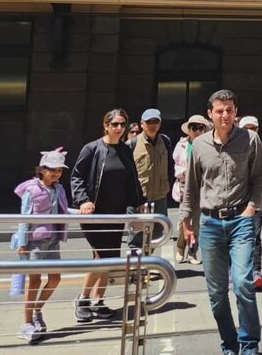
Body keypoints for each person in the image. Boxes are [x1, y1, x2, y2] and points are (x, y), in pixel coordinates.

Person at [180, 90, 262, 355]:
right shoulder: (199, 146)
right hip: (209, 224)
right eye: (220, 110)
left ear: (235, 112)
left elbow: (260, 176)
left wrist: (252, 206)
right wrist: (186, 222)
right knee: (217, 294)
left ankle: (249, 344)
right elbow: (192, 188)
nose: (225, 115)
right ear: (210, 114)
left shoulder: (250, 139)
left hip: (240, 219)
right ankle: (229, 344)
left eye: (229, 109)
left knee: (243, 283)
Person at [71, 109, 144, 323]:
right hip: (95, 213)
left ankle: (98, 301)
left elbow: (132, 181)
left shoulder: (124, 150)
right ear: (106, 125)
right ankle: (82, 299)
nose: (119, 128)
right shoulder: (92, 149)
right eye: (115, 124)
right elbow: (77, 176)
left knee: (109, 258)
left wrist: (138, 206)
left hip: (116, 213)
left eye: (122, 124)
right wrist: (83, 200)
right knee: (101, 256)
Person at [13, 149, 70, 343]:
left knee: (55, 278)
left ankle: (37, 309)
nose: (56, 173)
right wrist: (22, 243)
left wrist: (80, 210)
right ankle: (27, 322)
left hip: (53, 239)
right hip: (35, 241)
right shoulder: (32, 189)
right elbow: (24, 217)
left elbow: (63, 210)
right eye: (52, 169)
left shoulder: (58, 189)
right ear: (42, 170)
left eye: (59, 170)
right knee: (34, 281)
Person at [128, 108, 171, 250]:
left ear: (160, 124)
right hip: (139, 198)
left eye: (155, 122)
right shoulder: (131, 144)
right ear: (142, 124)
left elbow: (169, 166)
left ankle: (146, 265)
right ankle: (135, 268)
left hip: (160, 196)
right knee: (137, 236)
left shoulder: (165, 141)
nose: (152, 125)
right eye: (148, 122)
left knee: (157, 233)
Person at [239, 116, 262, 292]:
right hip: (237, 202)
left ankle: (255, 272)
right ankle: (239, 271)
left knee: (254, 238)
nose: (251, 132)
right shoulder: (234, 147)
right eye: (247, 128)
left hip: (257, 201)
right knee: (238, 239)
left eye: (254, 128)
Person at [172, 114, 210, 265]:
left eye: (201, 127)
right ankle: (180, 248)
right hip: (185, 186)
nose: (198, 131)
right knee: (184, 220)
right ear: (189, 129)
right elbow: (176, 167)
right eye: (194, 127)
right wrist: (187, 171)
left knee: (197, 223)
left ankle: (192, 253)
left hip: (202, 187)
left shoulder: (208, 144)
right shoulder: (181, 145)